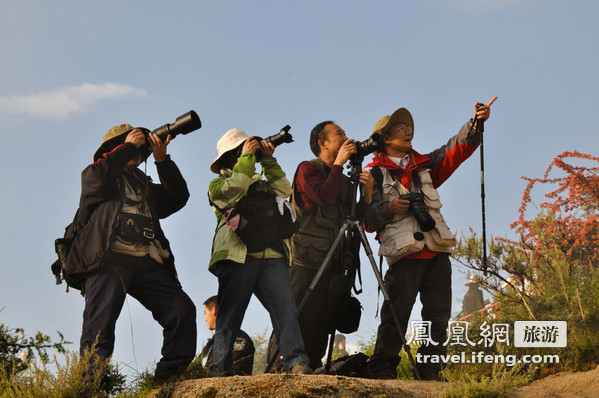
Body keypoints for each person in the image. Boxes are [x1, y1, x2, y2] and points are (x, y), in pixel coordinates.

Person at [365, 98, 497, 380]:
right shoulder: (374, 173)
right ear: (385, 138)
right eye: (399, 127)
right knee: (396, 313)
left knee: (438, 315)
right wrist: (389, 208)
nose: (407, 130)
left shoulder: (424, 165)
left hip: (436, 249)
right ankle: (382, 367)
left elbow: (455, 151)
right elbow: (366, 220)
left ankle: (431, 369)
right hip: (404, 254)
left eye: (408, 126)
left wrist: (475, 123)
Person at [66, 124, 197, 386]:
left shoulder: (142, 184)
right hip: (108, 260)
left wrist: (162, 160)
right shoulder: (100, 177)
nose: (138, 154)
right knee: (100, 325)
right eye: (133, 148)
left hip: (147, 262)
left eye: (141, 150)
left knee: (182, 310)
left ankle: (169, 376)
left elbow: (178, 197)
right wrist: (127, 146)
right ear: (116, 149)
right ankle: (91, 386)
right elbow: (93, 176)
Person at [266, 121, 373, 371]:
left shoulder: (342, 179)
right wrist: (338, 165)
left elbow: (356, 218)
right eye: (340, 134)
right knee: (297, 320)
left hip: (331, 266)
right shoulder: (307, 169)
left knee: (319, 327)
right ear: (322, 143)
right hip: (305, 263)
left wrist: (366, 196)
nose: (347, 138)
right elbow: (322, 196)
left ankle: (311, 369)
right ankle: (277, 370)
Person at [208, 128, 312, 376]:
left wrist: (268, 160)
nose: (249, 153)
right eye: (242, 150)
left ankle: (297, 362)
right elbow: (234, 190)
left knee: (286, 310)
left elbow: (285, 190)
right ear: (230, 157)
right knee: (230, 315)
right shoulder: (218, 184)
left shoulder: (262, 184)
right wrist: (246, 158)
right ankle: (219, 370)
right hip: (237, 254)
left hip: (272, 255)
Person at [200, 295, 255, 375]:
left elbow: (238, 371)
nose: (205, 319)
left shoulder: (238, 338)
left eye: (205, 313)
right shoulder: (211, 343)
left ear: (214, 310)